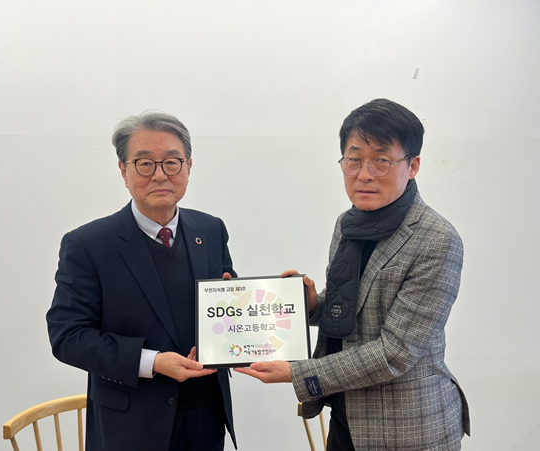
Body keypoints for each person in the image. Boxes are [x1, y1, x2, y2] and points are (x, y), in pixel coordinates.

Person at [235, 99, 470, 450]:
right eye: (354, 159)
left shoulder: (436, 239)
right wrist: (312, 305)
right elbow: (351, 307)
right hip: (345, 416)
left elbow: (395, 353)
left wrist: (297, 374)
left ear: (413, 165)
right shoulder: (348, 224)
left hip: (407, 428)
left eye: (381, 160)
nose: (364, 174)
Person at [46, 111, 236, 451]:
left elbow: (229, 305)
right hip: (130, 426)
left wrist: (264, 310)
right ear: (124, 171)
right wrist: (152, 362)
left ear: (189, 167)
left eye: (172, 162)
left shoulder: (210, 230)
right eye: (145, 164)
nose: (160, 175)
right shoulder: (88, 244)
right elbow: (68, 337)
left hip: (206, 416)